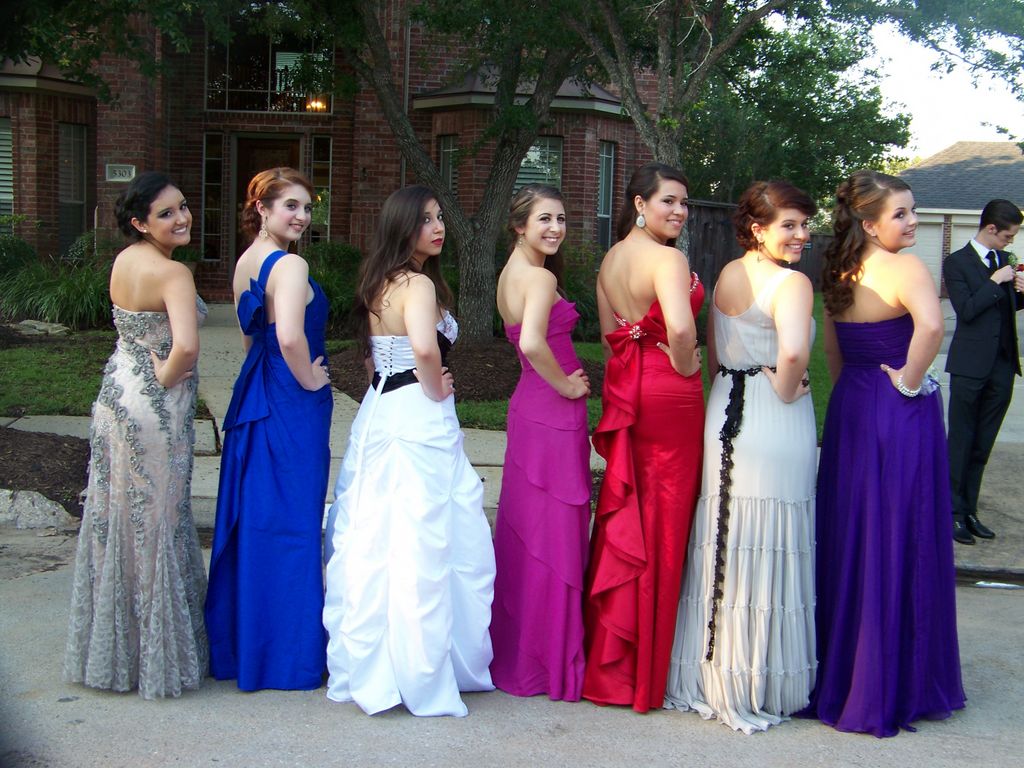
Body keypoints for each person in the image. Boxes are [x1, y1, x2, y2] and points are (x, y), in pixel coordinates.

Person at [322, 185, 495, 717]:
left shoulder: (380, 280)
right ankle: (421, 670)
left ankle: (381, 663)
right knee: (423, 537)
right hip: (416, 415)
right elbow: (423, 347)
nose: (438, 227)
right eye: (425, 220)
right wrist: (436, 387)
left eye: (439, 217)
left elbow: (373, 360)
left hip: (381, 410)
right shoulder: (417, 284)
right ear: (403, 227)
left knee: (380, 537)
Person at [805, 170, 966, 737]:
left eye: (912, 210)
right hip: (899, 408)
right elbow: (931, 328)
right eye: (901, 213)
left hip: (852, 404)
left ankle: (847, 671)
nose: (913, 221)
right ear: (870, 224)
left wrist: (856, 395)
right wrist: (909, 383)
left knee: (854, 534)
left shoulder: (837, 270)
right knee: (901, 532)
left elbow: (832, 350)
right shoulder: (907, 267)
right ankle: (896, 679)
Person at [663, 180, 817, 732]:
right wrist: (787, 389)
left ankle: (711, 671)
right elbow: (794, 353)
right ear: (758, 228)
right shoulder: (793, 283)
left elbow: (712, 351)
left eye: (804, 224)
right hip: (774, 416)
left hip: (725, 405)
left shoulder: (728, 273)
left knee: (725, 537)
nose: (802, 235)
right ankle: (758, 678)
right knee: (767, 536)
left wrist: (728, 389)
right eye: (789, 225)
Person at [64, 171, 208, 699]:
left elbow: (129, 331)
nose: (182, 218)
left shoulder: (125, 261)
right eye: (166, 213)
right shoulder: (173, 273)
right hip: (153, 408)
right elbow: (186, 347)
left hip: (114, 397)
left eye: (183, 206)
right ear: (140, 222)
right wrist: (164, 379)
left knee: (118, 518)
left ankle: (118, 652)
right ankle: (154, 659)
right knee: (158, 521)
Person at [205, 167, 333, 691]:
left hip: (255, 389)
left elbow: (248, 337)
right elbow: (289, 338)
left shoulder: (244, 263)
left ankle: (250, 648)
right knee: (295, 519)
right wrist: (309, 380)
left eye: (307, 207)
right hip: (290, 397)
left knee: (260, 515)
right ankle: (289, 658)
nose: (302, 217)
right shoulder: (291, 264)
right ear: (261, 208)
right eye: (291, 206)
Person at [583, 162, 704, 713]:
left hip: (631, 385)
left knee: (633, 512)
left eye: (684, 203)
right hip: (669, 391)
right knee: (665, 521)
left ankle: (615, 663)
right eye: (668, 201)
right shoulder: (668, 259)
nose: (679, 211)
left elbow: (611, 335)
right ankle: (647, 671)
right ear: (639, 203)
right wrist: (687, 367)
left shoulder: (611, 260)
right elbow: (680, 328)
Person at [489, 185, 591, 701]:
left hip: (529, 408)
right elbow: (531, 342)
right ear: (519, 225)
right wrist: (567, 386)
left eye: (561, 219)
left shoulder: (509, 275)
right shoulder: (540, 277)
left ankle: (521, 651)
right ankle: (548, 662)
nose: (555, 228)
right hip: (551, 410)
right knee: (553, 534)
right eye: (545, 219)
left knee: (531, 531)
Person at [944, 199, 1024, 544]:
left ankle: (970, 510)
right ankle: (952, 513)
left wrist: (1021, 293)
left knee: (982, 444)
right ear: (991, 228)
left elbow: (1004, 309)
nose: (1011, 242)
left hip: (1002, 365)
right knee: (961, 441)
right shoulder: (956, 262)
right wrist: (994, 281)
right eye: (1007, 236)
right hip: (969, 366)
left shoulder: (1004, 261)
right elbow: (967, 310)